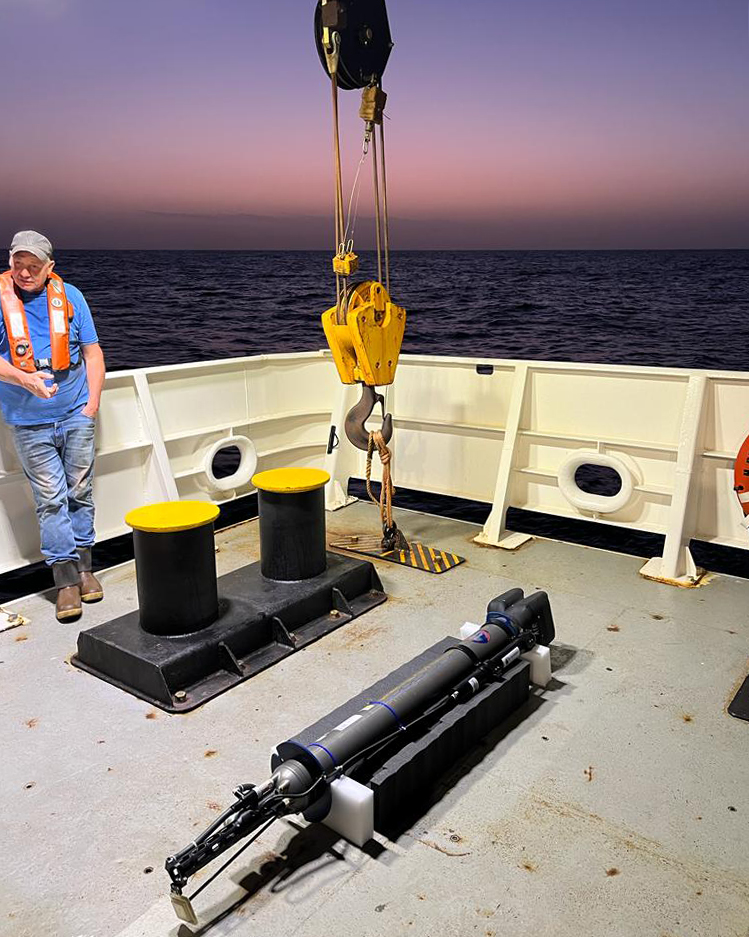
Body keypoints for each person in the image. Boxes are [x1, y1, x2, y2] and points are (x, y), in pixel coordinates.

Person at [0, 231, 106, 621]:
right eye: (18, 264)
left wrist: (91, 405)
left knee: (80, 491)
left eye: (33, 266)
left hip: (76, 412)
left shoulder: (72, 297)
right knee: (50, 499)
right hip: (29, 421)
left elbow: (93, 354)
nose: (25, 273)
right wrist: (22, 379)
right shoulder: (0, 300)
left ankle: (86, 570)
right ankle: (64, 581)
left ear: (49, 268)